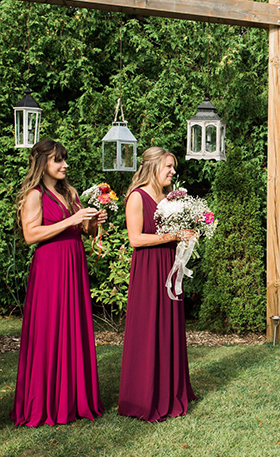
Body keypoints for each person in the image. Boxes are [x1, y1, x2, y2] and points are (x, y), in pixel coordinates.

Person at [12, 139, 105, 426]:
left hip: (73, 264)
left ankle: (75, 400)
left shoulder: (71, 193)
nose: (65, 165)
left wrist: (92, 221)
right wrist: (71, 219)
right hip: (50, 268)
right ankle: (46, 401)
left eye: (65, 159)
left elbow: (84, 230)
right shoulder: (34, 196)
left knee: (73, 326)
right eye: (58, 160)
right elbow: (31, 235)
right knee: (49, 328)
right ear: (43, 164)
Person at [118, 147, 196, 422]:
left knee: (168, 325)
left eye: (173, 167)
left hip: (168, 267)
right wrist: (172, 235)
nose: (173, 172)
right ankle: (142, 395)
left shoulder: (168, 199)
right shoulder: (137, 197)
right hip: (148, 269)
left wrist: (186, 236)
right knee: (148, 325)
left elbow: (171, 234)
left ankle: (169, 388)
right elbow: (135, 239)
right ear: (153, 167)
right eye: (169, 167)